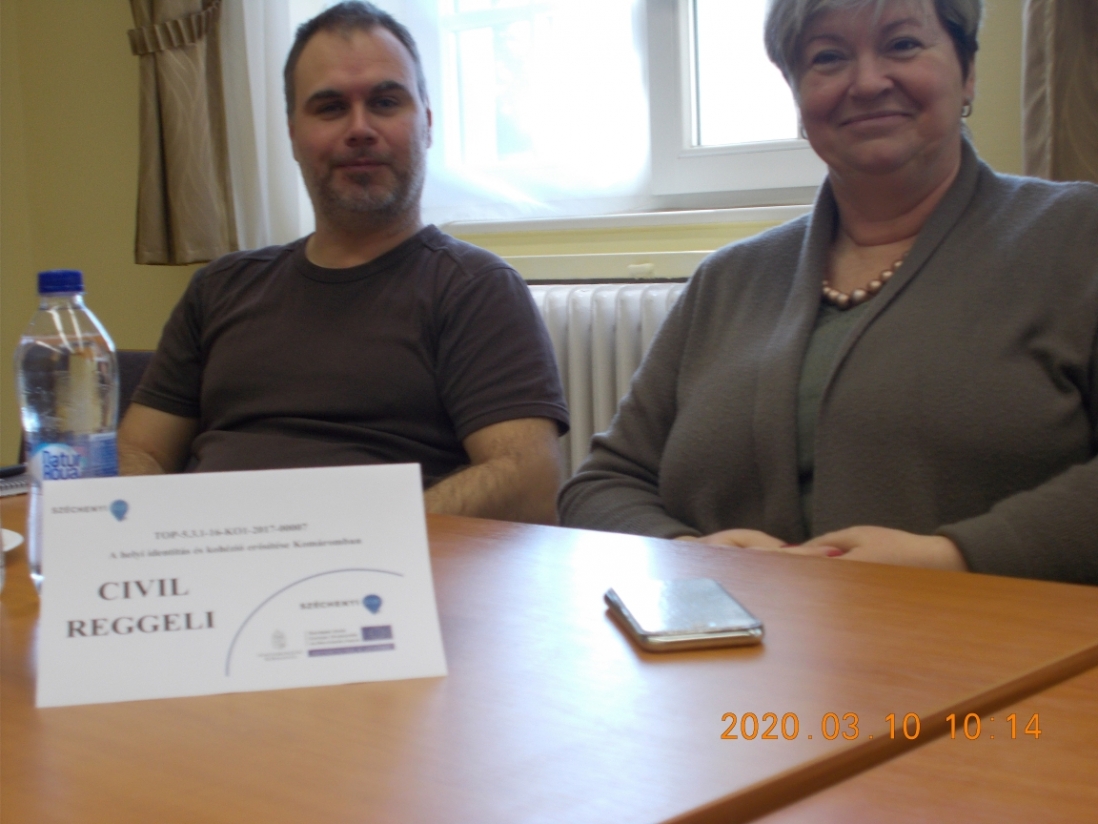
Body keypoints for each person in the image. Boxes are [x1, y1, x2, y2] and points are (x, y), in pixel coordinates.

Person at [559, 0, 1098, 584]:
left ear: (967, 72)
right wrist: (691, 552)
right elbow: (602, 486)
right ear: (797, 97)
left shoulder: (1078, 234)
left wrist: (951, 559)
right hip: (734, 636)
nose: (866, 82)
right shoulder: (728, 278)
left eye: (902, 44)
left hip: (990, 634)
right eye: (828, 58)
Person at [118, 2, 569, 525]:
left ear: (426, 124)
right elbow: (139, 451)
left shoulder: (475, 288)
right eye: (330, 108)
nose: (360, 128)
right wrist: (156, 534)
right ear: (293, 134)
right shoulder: (219, 287)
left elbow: (528, 483)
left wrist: (344, 538)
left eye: (385, 102)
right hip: (210, 559)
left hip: (383, 567)